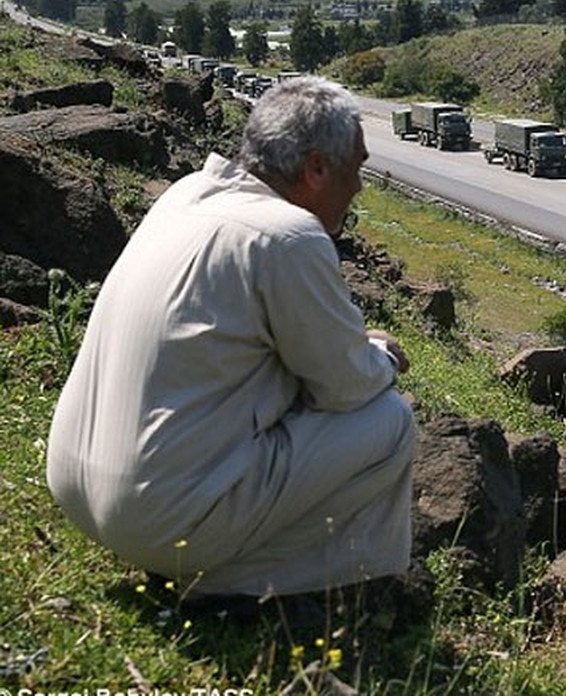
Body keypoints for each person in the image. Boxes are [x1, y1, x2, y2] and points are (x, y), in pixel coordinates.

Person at [47, 76, 417, 600]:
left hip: (78, 490)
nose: (357, 186)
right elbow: (348, 387)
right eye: (355, 168)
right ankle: (236, 584)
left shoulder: (186, 194)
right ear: (315, 168)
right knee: (390, 421)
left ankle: (204, 553)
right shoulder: (288, 235)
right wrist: (380, 355)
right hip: (161, 520)